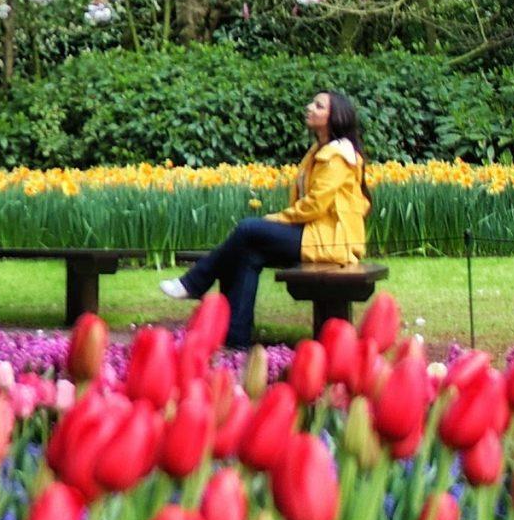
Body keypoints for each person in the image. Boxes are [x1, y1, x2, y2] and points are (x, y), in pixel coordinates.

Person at [159, 91, 372, 349]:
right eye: (311, 103)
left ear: (335, 117)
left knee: (248, 229)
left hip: (331, 240)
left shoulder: (338, 155)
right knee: (247, 253)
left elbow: (316, 204)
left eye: (318, 106)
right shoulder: (320, 150)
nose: (309, 108)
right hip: (313, 232)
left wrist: (278, 219)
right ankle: (236, 341)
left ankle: (194, 283)